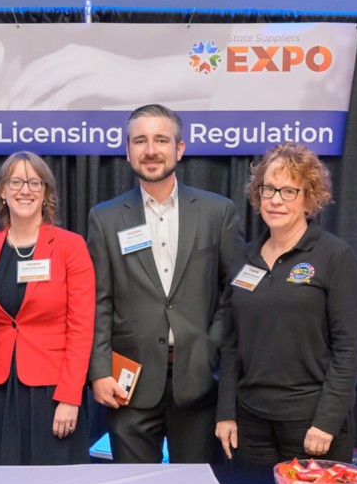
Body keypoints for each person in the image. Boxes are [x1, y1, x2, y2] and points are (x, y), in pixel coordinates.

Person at [86, 103, 244, 463]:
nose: (151, 150)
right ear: (127, 151)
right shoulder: (105, 218)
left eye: (161, 140)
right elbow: (99, 300)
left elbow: (233, 292)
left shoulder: (217, 212)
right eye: (140, 141)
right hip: (128, 385)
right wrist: (99, 370)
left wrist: (210, 344)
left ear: (180, 148)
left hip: (199, 379)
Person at [215, 143, 357, 464]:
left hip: (311, 423)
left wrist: (327, 421)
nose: (275, 200)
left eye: (288, 191)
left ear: (309, 198)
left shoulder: (335, 256)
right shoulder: (245, 257)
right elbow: (230, 344)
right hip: (250, 422)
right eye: (268, 189)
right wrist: (226, 412)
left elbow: (349, 349)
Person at [0, 152, 94, 464]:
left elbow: (81, 327)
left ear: (45, 192)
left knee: (53, 481)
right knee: (0, 479)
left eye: (34, 183)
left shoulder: (70, 246)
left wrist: (70, 397)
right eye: (16, 182)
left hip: (52, 389)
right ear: (2, 190)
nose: (24, 190)